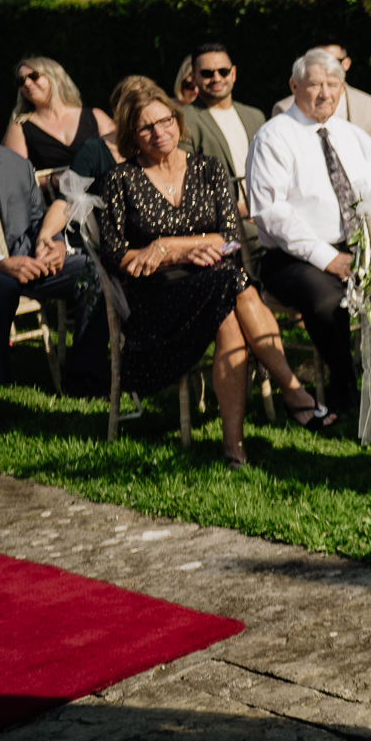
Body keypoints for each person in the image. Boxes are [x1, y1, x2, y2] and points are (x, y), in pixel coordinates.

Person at [96, 85, 336, 465]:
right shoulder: (119, 181)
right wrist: (179, 250)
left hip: (213, 280)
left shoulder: (207, 168)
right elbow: (114, 255)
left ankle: (234, 446)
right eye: (146, 128)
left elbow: (228, 237)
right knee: (233, 283)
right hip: (158, 299)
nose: (160, 132)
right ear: (131, 137)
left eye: (165, 121)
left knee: (227, 296)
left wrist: (164, 246)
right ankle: (291, 391)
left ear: (178, 121)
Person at [246, 49, 371, 419]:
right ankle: (344, 387)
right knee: (327, 300)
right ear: (294, 86)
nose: (325, 93)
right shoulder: (274, 137)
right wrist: (329, 259)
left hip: (357, 246)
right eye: (314, 85)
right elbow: (272, 213)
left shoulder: (353, 136)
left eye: (333, 85)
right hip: (293, 258)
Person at [0, 76, 89, 433]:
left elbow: (35, 222)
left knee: (90, 271)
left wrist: (54, 243)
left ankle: (86, 375)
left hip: (21, 262)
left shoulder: (14, 164)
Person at [270, 39, 371, 170]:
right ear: (294, 86)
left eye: (331, 60)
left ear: (346, 63)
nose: (325, 94)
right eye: (318, 59)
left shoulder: (369, 105)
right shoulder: (282, 116)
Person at [3, 57, 114, 170]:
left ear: (55, 78)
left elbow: (122, 156)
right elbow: (14, 177)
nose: (27, 83)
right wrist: (51, 180)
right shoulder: (19, 128)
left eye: (33, 76)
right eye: (21, 81)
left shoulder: (95, 116)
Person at [181, 43, 266, 181]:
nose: (217, 78)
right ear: (193, 77)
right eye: (207, 73)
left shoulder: (256, 117)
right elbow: (186, 175)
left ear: (233, 74)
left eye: (223, 71)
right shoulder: (184, 119)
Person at [68, 75, 163, 186]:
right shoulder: (92, 151)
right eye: (131, 105)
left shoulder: (162, 144)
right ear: (115, 110)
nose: (140, 112)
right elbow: (66, 197)